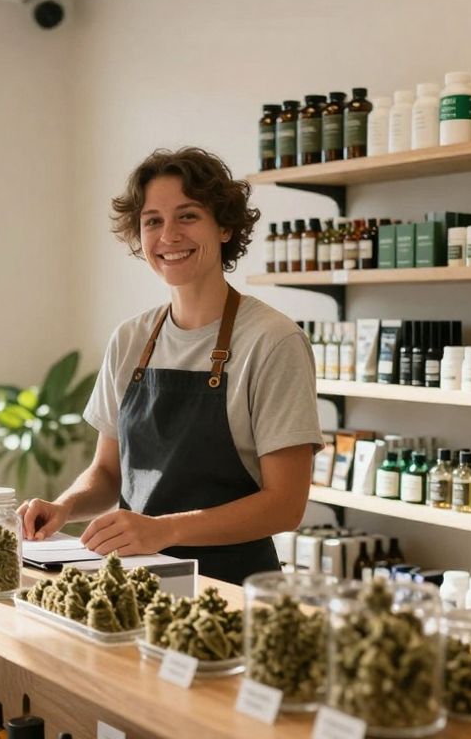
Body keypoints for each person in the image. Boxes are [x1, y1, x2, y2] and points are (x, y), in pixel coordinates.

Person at [18, 147, 322, 584]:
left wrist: (163, 529)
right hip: (134, 581)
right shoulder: (130, 339)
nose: (168, 235)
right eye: (153, 221)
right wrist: (64, 505)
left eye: (188, 216)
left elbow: (285, 505)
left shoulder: (272, 341)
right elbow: (108, 472)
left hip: (230, 590)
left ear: (225, 227)